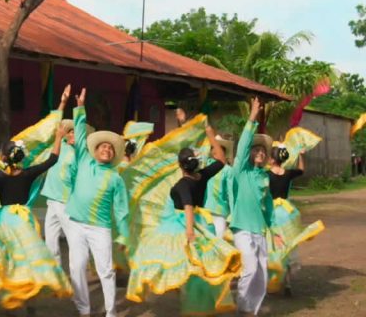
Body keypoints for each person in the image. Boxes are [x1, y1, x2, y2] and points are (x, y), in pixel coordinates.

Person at [126, 123, 241, 315]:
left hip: (183, 224)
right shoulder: (202, 176)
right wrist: (211, 134)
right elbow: (221, 159)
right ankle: (190, 293)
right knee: (196, 262)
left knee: (163, 256)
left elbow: (187, 206)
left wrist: (189, 231)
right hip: (203, 222)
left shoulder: (182, 184)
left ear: (180, 166)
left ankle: (182, 290)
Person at [0, 123, 73, 309]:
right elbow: (52, 160)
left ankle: (13, 297)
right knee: (27, 259)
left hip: (3, 220)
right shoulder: (27, 173)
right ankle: (27, 299)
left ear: (3, 157)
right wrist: (57, 137)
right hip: (23, 220)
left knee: (8, 258)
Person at [65, 88, 130, 317]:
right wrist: (80, 108)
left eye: (110, 148)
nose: (106, 149)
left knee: (105, 271)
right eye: (103, 146)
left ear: (113, 156)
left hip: (100, 227)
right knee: (76, 267)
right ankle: (84, 309)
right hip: (75, 223)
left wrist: (123, 234)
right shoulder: (84, 161)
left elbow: (122, 209)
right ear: (95, 151)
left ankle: (111, 312)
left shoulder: (115, 178)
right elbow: (80, 134)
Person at [230, 97, 283, 316]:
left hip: (260, 230)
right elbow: (242, 145)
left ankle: (252, 311)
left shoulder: (264, 178)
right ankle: (243, 306)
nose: (260, 153)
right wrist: (252, 117)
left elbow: (268, 207)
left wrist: (275, 231)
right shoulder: (240, 171)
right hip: (241, 227)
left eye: (263, 151)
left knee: (261, 274)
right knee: (250, 268)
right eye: (256, 150)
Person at [265, 148, 324, 296]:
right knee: (290, 246)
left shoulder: (265, 175)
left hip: (273, 213)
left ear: (272, 160)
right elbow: (301, 170)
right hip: (288, 213)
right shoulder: (288, 173)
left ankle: (273, 278)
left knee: (273, 246)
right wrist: (301, 156)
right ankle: (288, 283)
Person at [40, 117, 80, 264]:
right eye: (69, 132)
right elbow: (54, 123)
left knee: (74, 241)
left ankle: (77, 274)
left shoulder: (81, 152)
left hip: (66, 202)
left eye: (75, 132)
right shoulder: (59, 146)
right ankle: (58, 278)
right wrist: (62, 103)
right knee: (50, 243)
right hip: (52, 199)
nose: (71, 135)